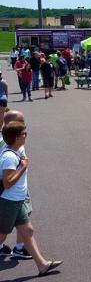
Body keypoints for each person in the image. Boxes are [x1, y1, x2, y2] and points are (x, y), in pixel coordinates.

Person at [0, 122, 63, 276]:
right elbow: (7, 183)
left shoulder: (15, 150)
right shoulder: (9, 156)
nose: (26, 135)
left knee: (27, 230)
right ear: (16, 138)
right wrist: (23, 167)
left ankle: (42, 265)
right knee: (2, 234)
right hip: (8, 201)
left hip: (17, 201)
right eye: (24, 134)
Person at [0, 110, 31, 259]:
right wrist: (23, 166)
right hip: (10, 193)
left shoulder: (15, 139)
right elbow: (7, 180)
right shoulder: (7, 146)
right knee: (4, 230)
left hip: (19, 189)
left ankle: (20, 249)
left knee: (27, 225)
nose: (24, 126)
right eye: (21, 122)